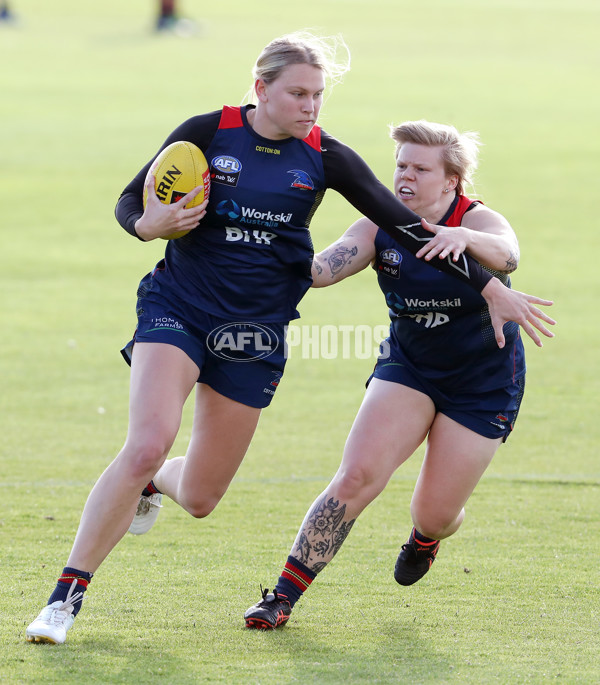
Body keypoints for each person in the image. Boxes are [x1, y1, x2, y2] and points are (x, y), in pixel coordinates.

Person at [25, 32, 553, 645]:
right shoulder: (207, 131)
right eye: (298, 93)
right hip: (180, 309)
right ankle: (64, 599)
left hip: (254, 332)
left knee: (199, 496)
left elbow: (405, 228)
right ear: (261, 89)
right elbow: (129, 201)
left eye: (319, 96)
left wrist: (490, 287)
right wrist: (149, 224)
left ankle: (156, 484)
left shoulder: (327, 157)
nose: (310, 106)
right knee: (146, 442)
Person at [243, 119, 555, 629]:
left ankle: (427, 538)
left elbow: (509, 254)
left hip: (483, 382)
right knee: (356, 476)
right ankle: (280, 598)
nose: (404, 176)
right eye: (400, 165)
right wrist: (276, 242)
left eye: (420, 168)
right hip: (408, 368)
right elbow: (324, 270)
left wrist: (461, 237)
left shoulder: (478, 220)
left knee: (434, 512)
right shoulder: (378, 224)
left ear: (451, 180)